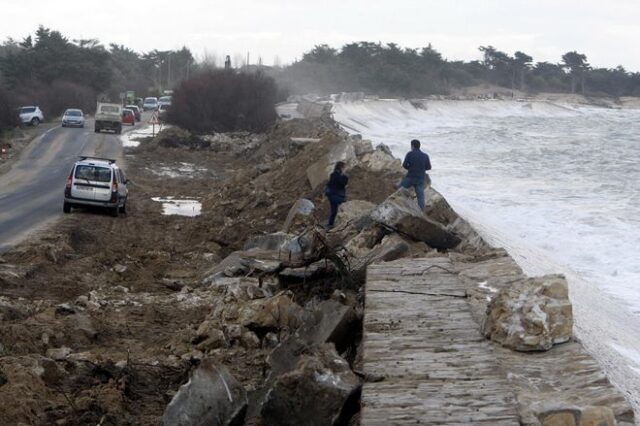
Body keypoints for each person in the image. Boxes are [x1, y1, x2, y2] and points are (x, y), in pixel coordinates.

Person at [400, 139, 431, 210]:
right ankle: (422, 211)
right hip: (420, 178)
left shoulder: (409, 154)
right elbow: (429, 167)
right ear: (419, 146)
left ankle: (403, 205)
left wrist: (410, 168)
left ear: (412, 146)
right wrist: (421, 168)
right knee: (420, 197)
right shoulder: (425, 156)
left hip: (410, 177)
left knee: (400, 189)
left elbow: (404, 165)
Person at [325, 161, 348, 228]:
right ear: (341, 167)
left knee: (334, 211)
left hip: (331, 195)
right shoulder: (338, 175)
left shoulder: (333, 174)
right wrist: (344, 175)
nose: (345, 169)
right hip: (336, 195)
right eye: (344, 167)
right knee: (345, 204)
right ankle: (342, 223)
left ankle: (330, 224)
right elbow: (343, 183)